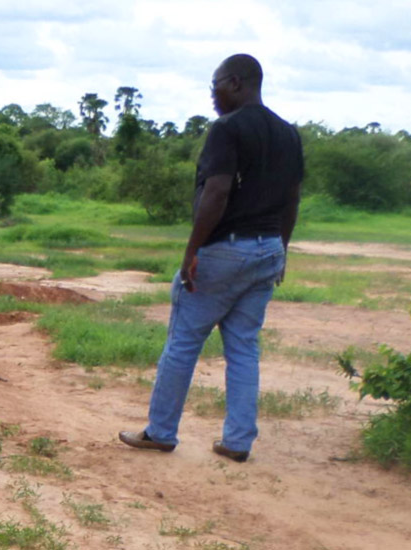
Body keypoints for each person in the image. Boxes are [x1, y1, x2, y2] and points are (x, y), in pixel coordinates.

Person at [119, 54, 304, 463]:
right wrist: (282, 250)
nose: (212, 95)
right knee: (243, 347)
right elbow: (291, 200)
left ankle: (161, 432)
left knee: (183, 342)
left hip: (225, 250)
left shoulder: (227, 128)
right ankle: (237, 442)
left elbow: (217, 193)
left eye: (215, 85)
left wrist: (191, 251)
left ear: (236, 83)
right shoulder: (289, 133)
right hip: (268, 248)